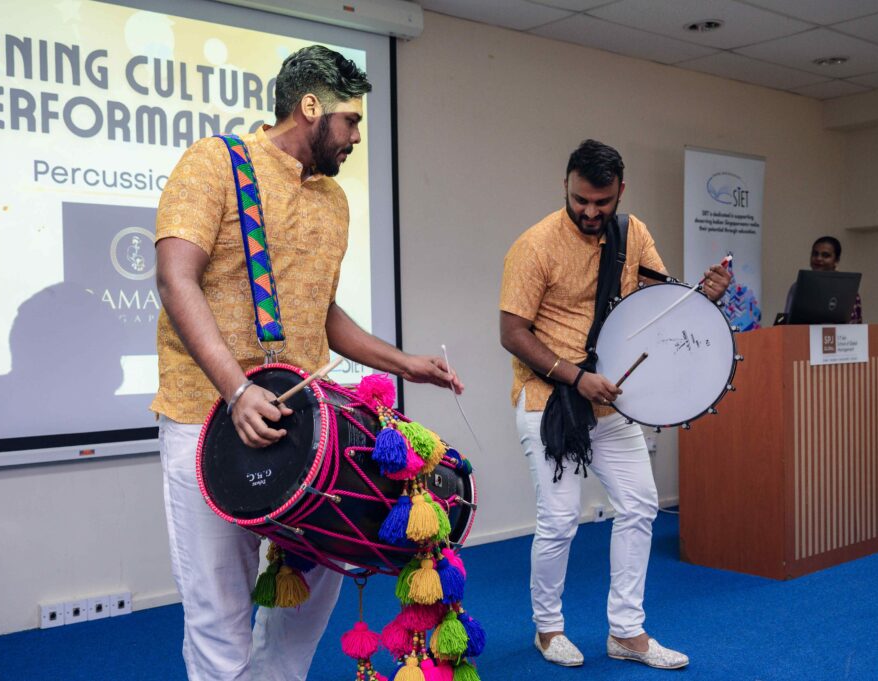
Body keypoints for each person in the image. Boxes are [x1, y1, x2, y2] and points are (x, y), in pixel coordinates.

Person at [152, 45, 463, 681]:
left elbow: (322, 312)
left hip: (305, 428)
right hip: (207, 417)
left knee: (312, 594)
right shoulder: (214, 162)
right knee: (219, 613)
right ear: (312, 107)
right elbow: (174, 278)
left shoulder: (334, 201)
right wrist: (237, 391)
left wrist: (404, 364)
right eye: (351, 121)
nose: (356, 137)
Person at [499, 140, 731, 670]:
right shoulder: (534, 246)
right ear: (565, 185)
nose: (590, 211)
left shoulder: (632, 233)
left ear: (620, 192)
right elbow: (512, 333)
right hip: (549, 400)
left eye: (601, 202)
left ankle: (626, 632)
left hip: (610, 400)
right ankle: (548, 629)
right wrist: (575, 376)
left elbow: (663, 303)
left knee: (640, 505)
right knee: (560, 520)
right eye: (580, 199)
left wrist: (706, 296)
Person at [784, 236, 863, 323]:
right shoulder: (798, 287)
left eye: (825, 255)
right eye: (815, 254)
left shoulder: (848, 289)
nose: (818, 258)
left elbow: (856, 324)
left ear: (836, 260)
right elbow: (788, 321)